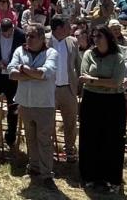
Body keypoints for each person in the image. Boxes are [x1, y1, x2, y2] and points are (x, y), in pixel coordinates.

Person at [78, 25, 127, 193]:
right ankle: (90, 177)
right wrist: (100, 81)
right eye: (94, 36)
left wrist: (93, 80)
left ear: (107, 37)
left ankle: (112, 180)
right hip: (92, 101)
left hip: (113, 103)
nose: (95, 39)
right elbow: (83, 78)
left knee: (112, 141)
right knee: (90, 138)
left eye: (99, 36)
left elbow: (116, 82)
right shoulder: (88, 54)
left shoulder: (118, 57)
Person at [8, 23, 58, 187]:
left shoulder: (51, 53)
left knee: (44, 140)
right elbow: (12, 73)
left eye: (32, 36)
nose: (28, 39)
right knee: (30, 138)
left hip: (44, 105)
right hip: (25, 102)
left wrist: (23, 69)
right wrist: (32, 73)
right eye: (27, 36)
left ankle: (46, 174)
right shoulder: (19, 51)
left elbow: (45, 73)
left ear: (42, 38)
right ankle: (34, 167)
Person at [0, 18, 24, 147]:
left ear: (13, 28)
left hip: (12, 76)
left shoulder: (20, 35)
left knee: (12, 107)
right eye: (3, 33)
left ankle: (10, 137)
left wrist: (12, 65)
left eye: (8, 33)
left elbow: (23, 54)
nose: (6, 35)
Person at [47, 15, 80, 161]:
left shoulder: (72, 42)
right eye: (67, 26)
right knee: (48, 121)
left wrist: (79, 86)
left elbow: (77, 65)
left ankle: (70, 149)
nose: (71, 28)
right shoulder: (44, 40)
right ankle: (47, 149)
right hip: (49, 89)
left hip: (68, 89)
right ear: (59, 28)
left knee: (71, 121)